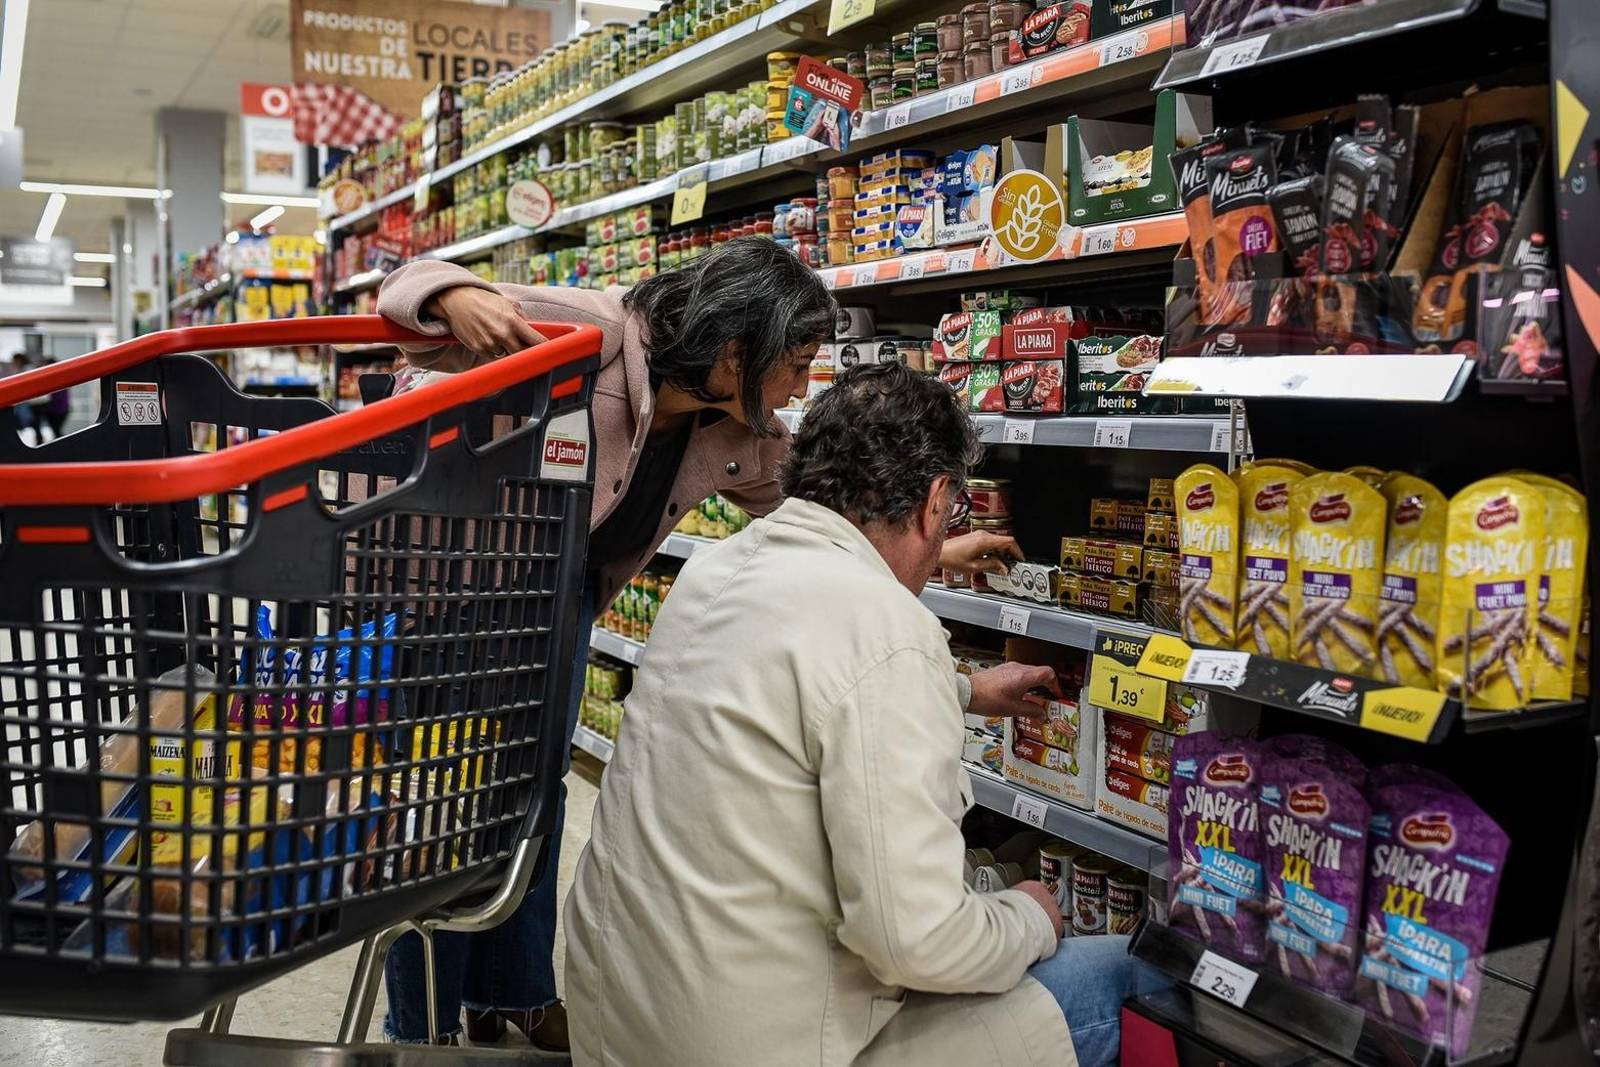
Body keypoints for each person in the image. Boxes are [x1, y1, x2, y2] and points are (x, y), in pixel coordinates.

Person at [375, 238, 1025, 1048]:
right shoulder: (595, 333)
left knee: (528, 800)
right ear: (730, 353)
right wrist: (451, 297)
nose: (799, 386)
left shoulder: (737, 432)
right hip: (452, 591)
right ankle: (420, 1027)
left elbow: (827, 503)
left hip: (559, 601)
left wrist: (937, 539)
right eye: (793, 364)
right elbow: (399, 292)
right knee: (432, 815)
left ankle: (514, 992)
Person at [563, 362, 1163, 1067]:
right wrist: (1033, 912)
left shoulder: (716, 570)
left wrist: (963, 689)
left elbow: (803, 689)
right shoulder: (884, 631)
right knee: (1128, 977)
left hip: (626, 1028)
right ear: (935, 502)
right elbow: (918, 942)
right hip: (760, 1046)